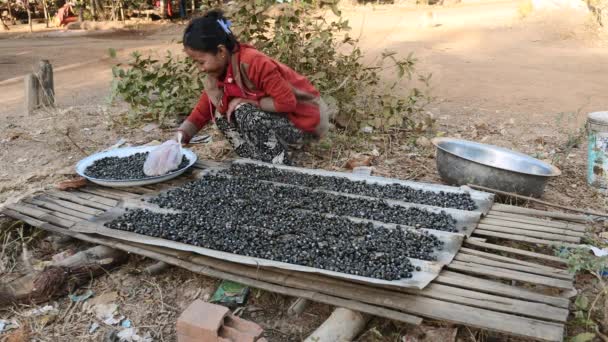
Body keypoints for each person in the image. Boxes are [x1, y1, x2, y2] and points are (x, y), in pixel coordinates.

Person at [177, 10, 329, 164]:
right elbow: (202, 111)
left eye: (201, 62)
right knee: (221, 114)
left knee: (242, 110)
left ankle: (279, 164)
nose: (200, 68)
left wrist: (248, 101)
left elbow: (287, 102)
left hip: (304, 123)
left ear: (221, 51)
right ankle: (255, 161)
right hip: (280, 121)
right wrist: (181, 136)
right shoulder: (217, 75)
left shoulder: (254, 63)